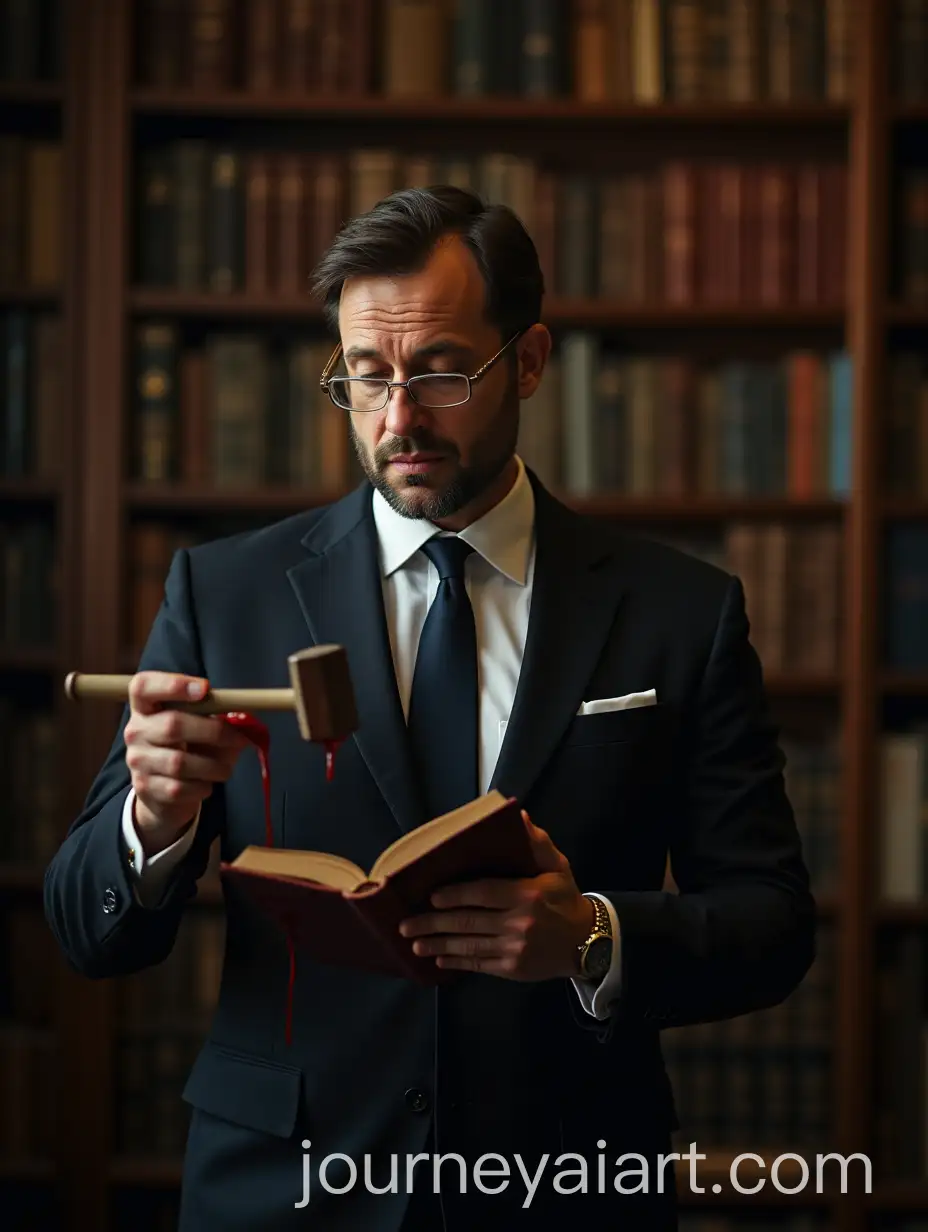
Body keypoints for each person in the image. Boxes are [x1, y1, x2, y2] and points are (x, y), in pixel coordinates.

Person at [44, 185, 815, 1231]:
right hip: (285, 1189)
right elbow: (89, 932)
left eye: (441, 372)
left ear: (530, 362)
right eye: (366, 378)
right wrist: (154, 823)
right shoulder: (222, 594)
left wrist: (590, 936)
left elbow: (772, 922)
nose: (398, 418)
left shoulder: (682, 612)